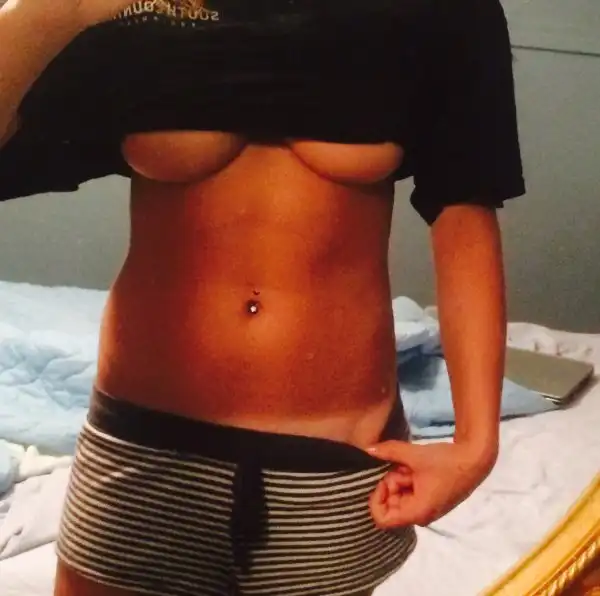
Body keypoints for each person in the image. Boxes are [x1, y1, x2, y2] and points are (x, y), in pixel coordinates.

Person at [0, 0, 526, 594]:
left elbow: (465, 212)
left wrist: (476, 445)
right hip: (140, 450)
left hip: (331, 456)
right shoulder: (129, 16)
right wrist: (58, 10)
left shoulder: (438, 12)